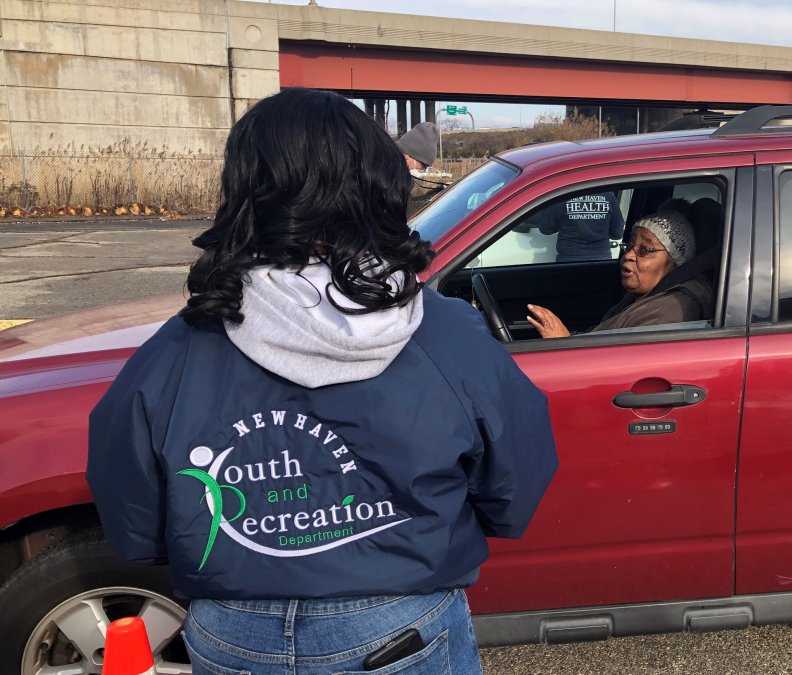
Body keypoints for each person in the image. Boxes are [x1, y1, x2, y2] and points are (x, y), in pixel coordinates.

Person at [86, 88, 557, 675]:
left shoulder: (184, 344)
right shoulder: (444, 333)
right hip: (396, 625)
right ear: (379, 184)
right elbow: (516, 475)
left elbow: (129, 495)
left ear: (246, 189)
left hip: (233, 626)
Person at [526, 208, 712, 337]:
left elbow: (618, 368)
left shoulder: (673, 310)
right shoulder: (644, 296)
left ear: (675, 263)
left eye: (644, 250)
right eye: (630, 246)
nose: (629, 255)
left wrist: (563, 343)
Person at [536, 191, 625, 262]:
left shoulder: (561, 196)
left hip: (568, 261)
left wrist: (565, 224)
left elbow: (545, 228)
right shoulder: (608, 196)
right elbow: (617, 233)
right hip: (601, 261)